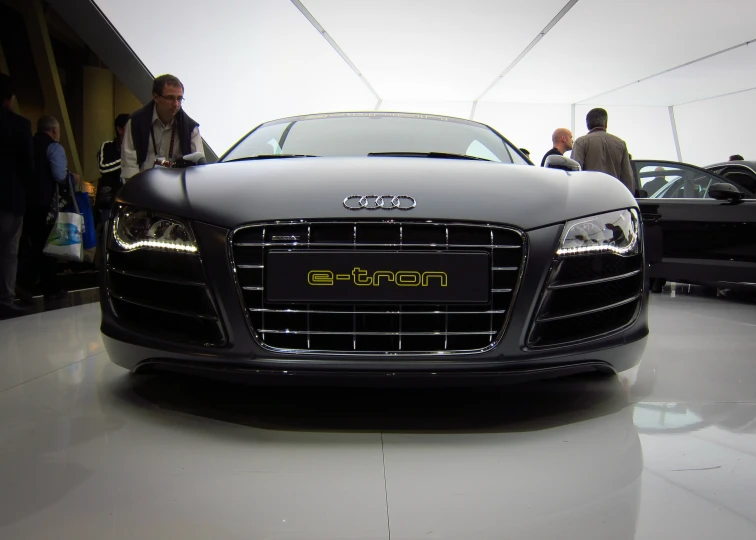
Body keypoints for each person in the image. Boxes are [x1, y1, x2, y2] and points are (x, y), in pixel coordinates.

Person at [17, 115, 78, 301]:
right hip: (46, 204)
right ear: (54, 130)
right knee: (47, 246)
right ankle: (32, 285)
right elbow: (59, 175)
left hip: (25, 202)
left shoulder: (28, 144)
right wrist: (71, 177)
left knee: (33, 244)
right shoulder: (54, 147)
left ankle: (40, 286)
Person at [120, 74, 204, 181]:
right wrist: (138, 192)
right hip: (143, 186)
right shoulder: (136, 122)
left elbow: (198, 167)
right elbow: (129, 165)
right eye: (170, 98)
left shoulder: (190, 128)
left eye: (179, 98)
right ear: (156, 97)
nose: (176, 104)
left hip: (176, 188)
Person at [0, 74, 35, 317]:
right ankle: (5, 298)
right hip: (9, 197)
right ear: (10, 99)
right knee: (8, 251)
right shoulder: (19, 125)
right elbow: (27, 167)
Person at [571, 108, 634, 192]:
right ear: (606, 123)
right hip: (614, 196)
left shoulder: (581, 142)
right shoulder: (620, 143)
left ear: (587, 124)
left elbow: (575, 172)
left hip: (589, 195)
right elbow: (627, 177)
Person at [95, 113, 129, 222]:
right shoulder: (108, 146)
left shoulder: (138, 148)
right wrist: (127, 160)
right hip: (110, 201)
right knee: (108, 231)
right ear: (120, 129)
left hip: (131, 201)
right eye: (129, 127)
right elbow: (103, 167)